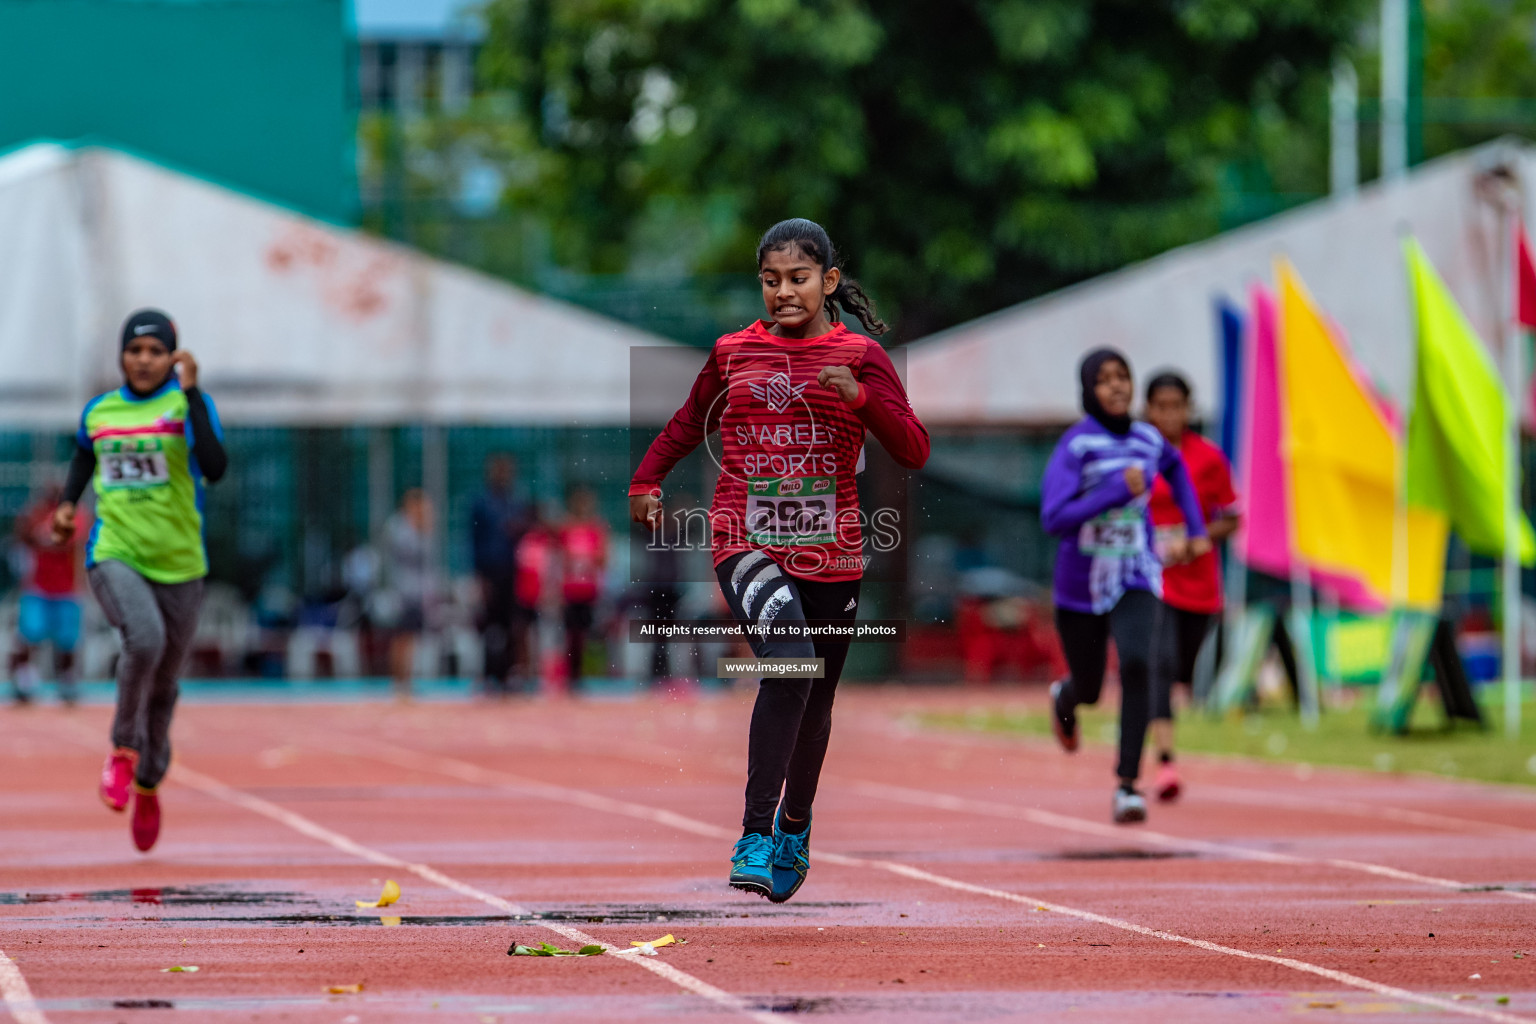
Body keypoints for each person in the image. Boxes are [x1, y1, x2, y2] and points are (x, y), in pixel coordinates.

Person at [629, 218, 929, 902]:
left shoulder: (862, 357)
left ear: (827, 282)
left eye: (798, 279)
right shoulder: (733, 352)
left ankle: (796, 824)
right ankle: (755, 833)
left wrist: (862, 402)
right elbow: (687, 419)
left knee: (815, 697)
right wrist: (646, 481)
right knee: (789, 661)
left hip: (834, 550)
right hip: (746, 539)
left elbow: (913, 449)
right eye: (771, 281)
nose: (784, 293)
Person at [54, 309, 227, 853]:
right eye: (135, 351)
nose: (144, 360)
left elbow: (216, 466)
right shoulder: (100, 411)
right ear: (122, 356)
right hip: (116, 551)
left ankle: (149, 782)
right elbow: (85, 455)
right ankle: (123, 752)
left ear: (172, 357)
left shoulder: (186, 407)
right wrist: (66, 506)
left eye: (156, 351)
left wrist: (194, 393)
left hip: (180, 564)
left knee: (165, 686)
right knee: (143, 640)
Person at [1041, 348, 1206, 825]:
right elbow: (1054, 517)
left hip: (1136, 572)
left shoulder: (1148, 439)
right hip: (1080, 586)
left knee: (1138, 664)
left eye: (1123, 377)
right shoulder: (1076, 446)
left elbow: (1176, 468)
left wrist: (1196, 529)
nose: (1116, 386)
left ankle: (1128, 785)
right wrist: (1116, 491)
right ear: (1089, 390)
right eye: (1105, 379)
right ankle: (1066, 697)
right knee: (1091, 688)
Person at [1144, 372, 1241, 802]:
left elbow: (1233, 516)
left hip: (1199, 583)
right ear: (1147, 410)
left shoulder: (1209, 458)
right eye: (1160, 406)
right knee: (1158, 664)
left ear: (1189, 409)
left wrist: (1200, 536)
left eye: (1176, 405)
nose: (1169, 414)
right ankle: (1166, 762)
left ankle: (1167, 725)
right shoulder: (1138, 456)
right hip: (1151, 579)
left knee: (1184, 669)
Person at [10, 485, 88, 706]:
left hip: (67, 588)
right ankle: (25, 682)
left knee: (67, 641)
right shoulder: (36, 512)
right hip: (38, 587)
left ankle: (68, 683)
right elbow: (26, 536)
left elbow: (67, 541)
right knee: (28, 635)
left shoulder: (76, 514)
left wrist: (45, 537)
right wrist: (35, 530)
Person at [471, 455, 532, 695]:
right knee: (490, 628)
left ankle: (508, 676)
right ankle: (488, 676)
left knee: (511, 626)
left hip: (512, 572)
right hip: (490, 572)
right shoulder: (481, 502)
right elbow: (473, 541)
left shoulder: (515, 502)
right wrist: (480, 577)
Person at [380, 489, 435, 699]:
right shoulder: (399, 527)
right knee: (401, 637)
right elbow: (408, 552)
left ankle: (407, 680)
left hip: (417, 592)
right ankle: (398, 681)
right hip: (403, 592)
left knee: (411, 638)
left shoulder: (419, 528)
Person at [558, 487, 608, 689]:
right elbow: (560, 560)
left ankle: (585, 674)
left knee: (586, 634)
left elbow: (603, 559)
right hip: (570, 589)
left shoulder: (596, 528)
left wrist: (587, 559)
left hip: (588, 589)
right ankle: (571, 674)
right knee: (571, 634)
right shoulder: (566, 528)